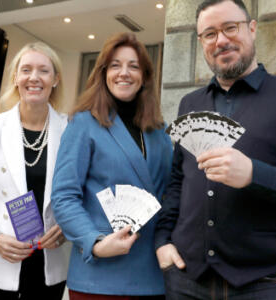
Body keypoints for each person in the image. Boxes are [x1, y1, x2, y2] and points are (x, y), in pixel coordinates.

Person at [155, 0, 276, 299]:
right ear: (201, 42)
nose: (221, 40)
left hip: (268, 282)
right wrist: (162, 241)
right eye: (210, 33)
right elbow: (178, 182)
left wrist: (254, 173)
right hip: (187, 279)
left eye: (230, 28)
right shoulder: (190, 103)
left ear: (252, 29)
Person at [51, 32, 173, 299]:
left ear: (145, 76)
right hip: (99, 276)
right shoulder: (83, 124)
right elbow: (64, 197)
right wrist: (94, 242)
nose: (124, 73)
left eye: (134, 66)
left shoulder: (159, 131)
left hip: (155, 274)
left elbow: (171, 193)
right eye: (115, 65)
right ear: (103, 72)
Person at [0, 42, 69, 300]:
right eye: (26, 70)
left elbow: (78, 194)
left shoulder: (71, 130)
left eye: (44, 71)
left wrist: (68, 229)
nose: (34, 78)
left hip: (50, 261)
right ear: (15, 78)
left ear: (56, 79)